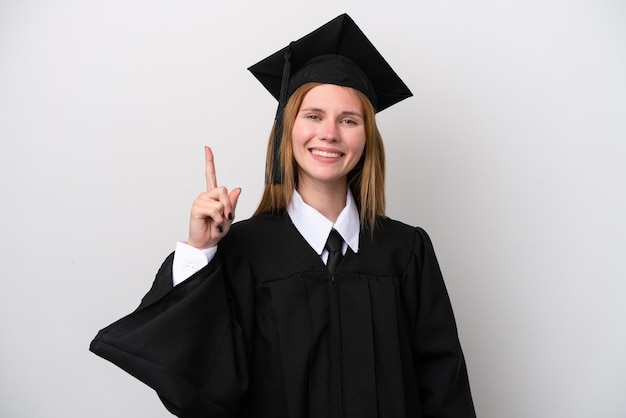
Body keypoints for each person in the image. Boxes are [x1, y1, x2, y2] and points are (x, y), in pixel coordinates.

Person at [91, 13, 476, 418]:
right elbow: (200, 384)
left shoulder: (406, 251)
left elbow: (444, 389)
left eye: (349, 120)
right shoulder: (243, 251)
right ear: (287, 129)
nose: (329, 133)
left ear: (367, 139)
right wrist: (199, 251)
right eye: (313, 116)